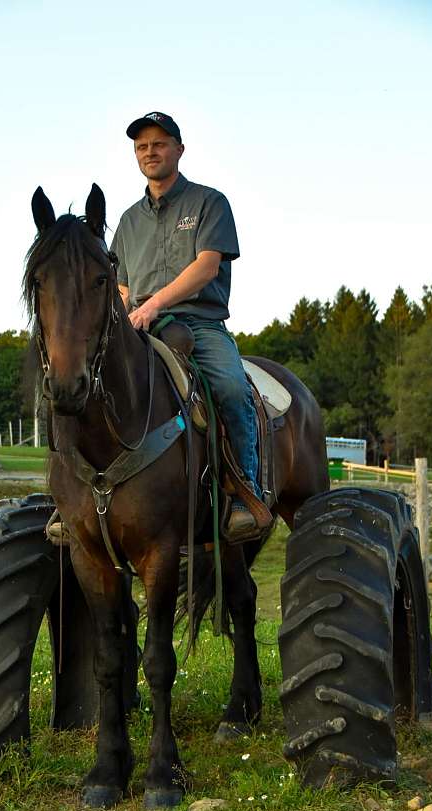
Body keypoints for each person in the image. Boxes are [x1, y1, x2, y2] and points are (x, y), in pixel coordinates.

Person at [110, 111, 263, 542]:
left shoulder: (209, 203)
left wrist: (155, 304)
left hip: (199, 323)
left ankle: (243, 492)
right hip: (137, 326)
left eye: (159, 143)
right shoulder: (127, 221)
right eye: (142, 146)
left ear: (179, 149)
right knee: (84, 384)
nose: (150, 152)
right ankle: (78, 499)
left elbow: (206, 267)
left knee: (232, 387)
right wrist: (121, 321)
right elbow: (123, 290)